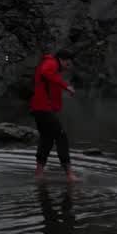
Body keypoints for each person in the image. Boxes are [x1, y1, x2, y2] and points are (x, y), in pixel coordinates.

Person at [30, 50, 74, 182]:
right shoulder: (51, 62)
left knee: (46, 139)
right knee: (61, 136)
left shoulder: (51, 64)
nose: (69, 65)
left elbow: (48, 82)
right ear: (61, 59)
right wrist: (66, 86)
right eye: (68, 62)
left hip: (39, 108)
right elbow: (45, 72)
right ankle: (69, 175)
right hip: (43, 109)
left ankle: (39, 173)